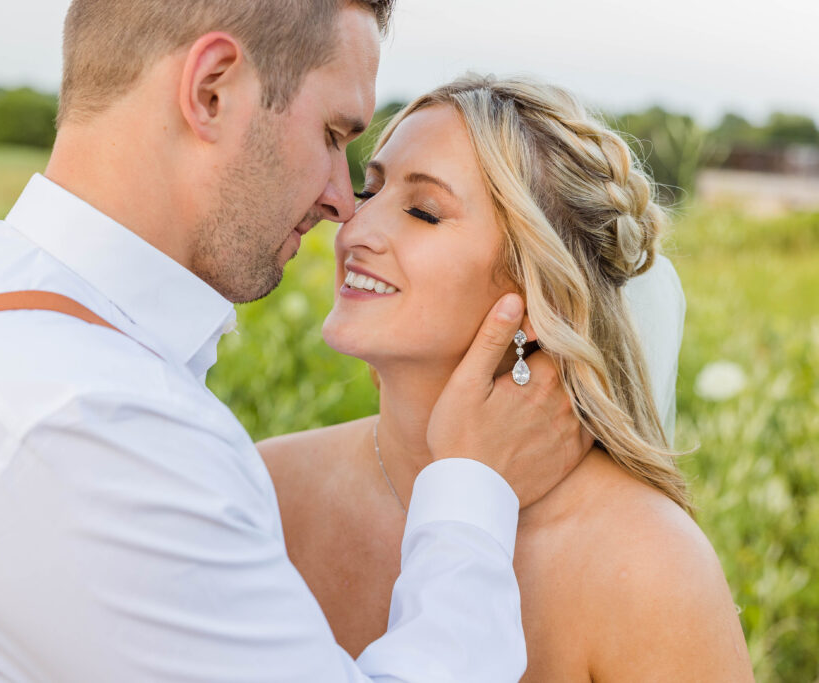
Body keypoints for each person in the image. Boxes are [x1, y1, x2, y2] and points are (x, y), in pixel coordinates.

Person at [0, 3, 590, 681]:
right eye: (332, 134)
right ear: (212, 89)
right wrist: (470, 493)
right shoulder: (98, 423)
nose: (340, 200)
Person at [260, 75, 754, 681]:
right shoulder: (266, 487)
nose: (354, 231)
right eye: (371, 190)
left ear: (539, 284)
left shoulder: (643, 563)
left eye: (424, 211)